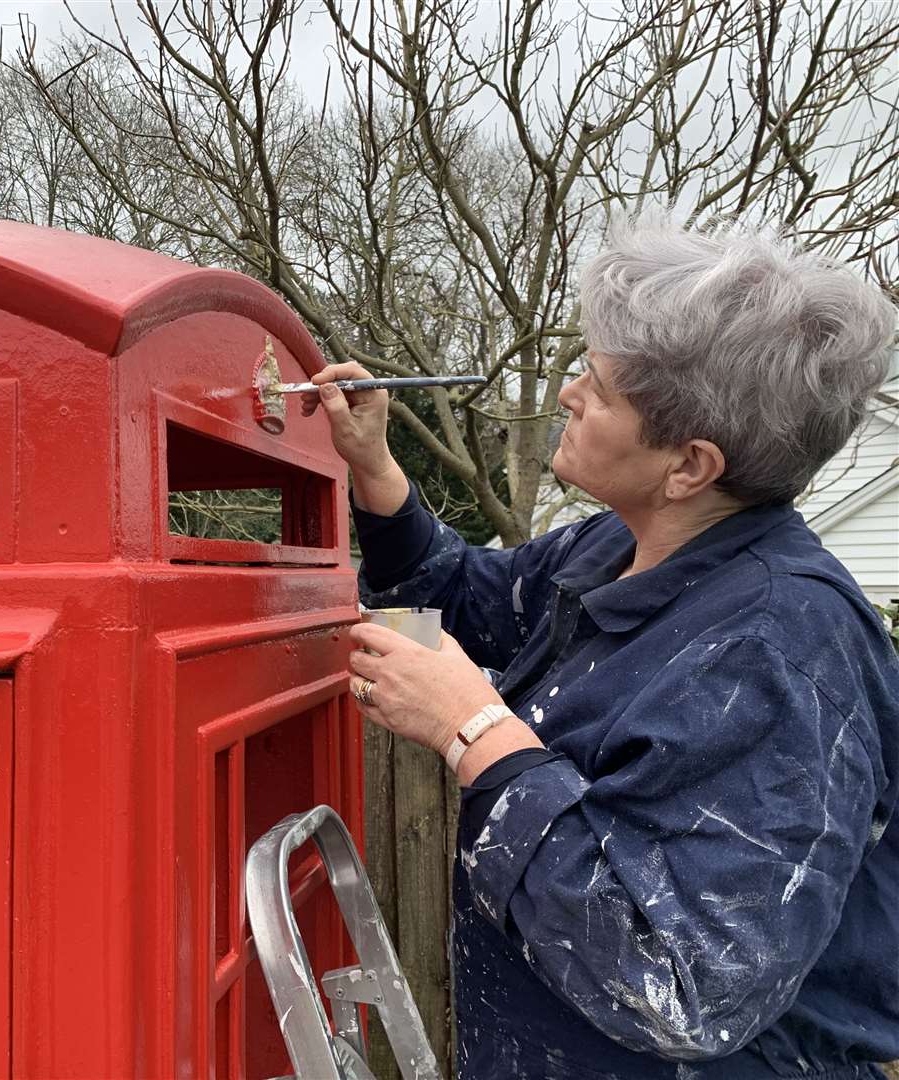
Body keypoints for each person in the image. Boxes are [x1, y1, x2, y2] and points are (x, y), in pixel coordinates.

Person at [303, 216, 899, 1079]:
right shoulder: (611, 548)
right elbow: (464, 598)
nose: (572, 393)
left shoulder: (784, 653)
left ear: (690, 465)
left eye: (602, 387)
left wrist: (479, 736)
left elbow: (687, 991)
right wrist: (376, 471)